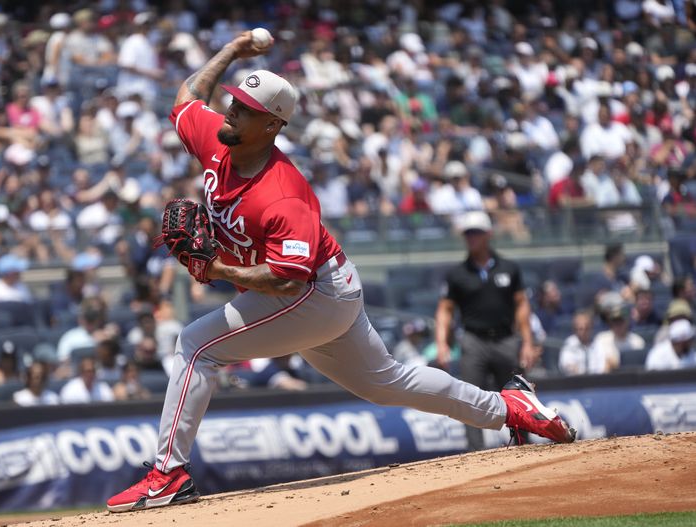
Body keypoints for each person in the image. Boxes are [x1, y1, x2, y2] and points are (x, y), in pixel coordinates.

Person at [106, 34, 575, 514]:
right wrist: (230, 51)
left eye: (244, 108)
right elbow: (187, 99)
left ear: (271, 125)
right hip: (325, 289)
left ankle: (168, 474)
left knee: (195, 345)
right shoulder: (217, 138)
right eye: (233, 100)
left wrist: (215, 268)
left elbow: (288, 280)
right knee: (387, 383)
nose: (230, 111)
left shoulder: (282, 193)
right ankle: (512, 406)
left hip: (314, 292)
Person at [435, 211, 536, 451]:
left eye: (476, 233)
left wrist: (528, 342)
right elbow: (444, 310)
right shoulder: (457, 274)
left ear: (488, 235)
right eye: (468, 234)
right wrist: (442, 343)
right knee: (469, 399)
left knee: (517, 396)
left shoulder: (509, 268)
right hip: (473, 341)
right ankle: (475, 453)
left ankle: (525, 447)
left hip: (506, 339)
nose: (471, 238)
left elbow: (522, 304)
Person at [592, 304, 645, 370]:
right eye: (615, 322)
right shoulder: (601, 339)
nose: (618, 325)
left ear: (627, 322)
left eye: (620, 322)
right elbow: (596, 365)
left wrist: (617, 364)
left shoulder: (637, 342)